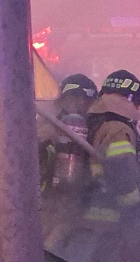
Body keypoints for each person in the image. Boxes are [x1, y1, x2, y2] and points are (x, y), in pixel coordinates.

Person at [68, 69, 140, 262]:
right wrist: (138, 207)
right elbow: (122, 176)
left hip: (84, 226)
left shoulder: (91, 120)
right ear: (132, 100)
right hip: (114, 231)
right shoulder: (118, 129)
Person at [37, 73, 98, 250]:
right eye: (73, 99)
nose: (80, 106)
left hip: (62, 200)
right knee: (49, 246)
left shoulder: (48, 122)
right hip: (53, 200)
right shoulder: (46, 126)